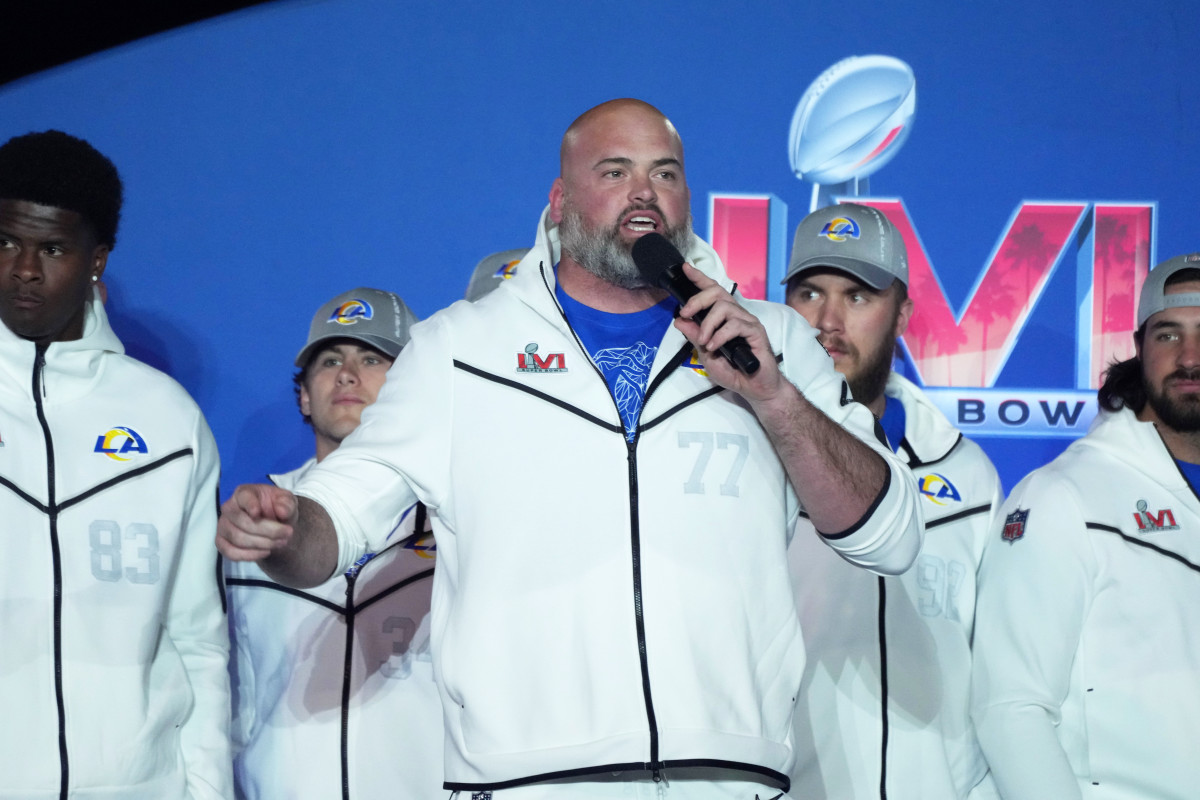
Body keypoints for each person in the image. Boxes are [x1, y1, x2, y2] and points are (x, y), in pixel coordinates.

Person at [217, 98, 922, 798]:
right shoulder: (459, 350)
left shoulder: (770, 340)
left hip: (732, 776)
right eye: (615, 172)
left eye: (666, 174)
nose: (645, 193)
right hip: (526, 781)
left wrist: (776, 398)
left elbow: (890, 537)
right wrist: (283, 527)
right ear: (559, 201)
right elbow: (335, 523)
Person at [0, 130, 230, 798]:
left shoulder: (166, 419)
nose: (23, 270)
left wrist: (210, 789)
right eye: (6, 242)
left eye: (51, 249)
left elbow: (199, 638)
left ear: (97, 259)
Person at [782, 203, 1001, 800]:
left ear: (901, 313)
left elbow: (999, 670)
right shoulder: (745, 459)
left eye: (857, 297)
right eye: (809, 293)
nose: (828, 321)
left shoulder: (968, 474)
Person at [971, 253, 1200, 800]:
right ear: (1140, 347)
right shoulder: (1063, 496)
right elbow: (1010, 708)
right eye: (1169, 335)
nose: (1190, 358)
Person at [224, 287, 444, 799]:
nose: (348, 374)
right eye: (329, 360)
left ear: (414, 385)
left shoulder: (456, 523)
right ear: (303, 393)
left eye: (373, 358)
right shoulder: (250, 521)